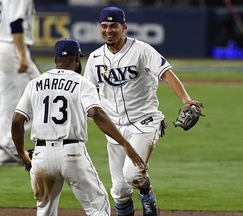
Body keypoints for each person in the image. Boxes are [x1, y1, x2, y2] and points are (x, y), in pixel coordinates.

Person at [84, 6, 199, 216]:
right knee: (119, 192)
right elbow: (86, 94)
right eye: (104, 26)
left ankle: (146, 193)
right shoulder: (94, 58)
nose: (108, 30)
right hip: (114, 129)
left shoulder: (142, 50)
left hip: (144, 123)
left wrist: (186, 99)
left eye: (113, 26)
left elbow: (166, 74)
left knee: (133, 175)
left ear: (124, 27)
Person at [11, 38, 145, 216]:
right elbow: (96, 114)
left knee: (44, 210)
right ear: (77, 60)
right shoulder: (83, 84)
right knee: (98, 205)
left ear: (55, 60)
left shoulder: (35, 84)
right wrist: (125, 143)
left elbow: (16, 121)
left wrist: (23, 155)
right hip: (72, 153)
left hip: (41, 155)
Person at [0, 0, 41, 165]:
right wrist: (22, 54)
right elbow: (16, 23)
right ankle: (9, 143)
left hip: (2, 47)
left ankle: (4, 155)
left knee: (7, 105)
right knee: (42, 98)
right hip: (13, 48)